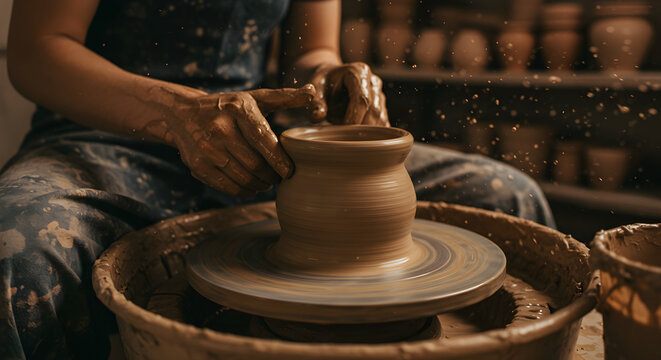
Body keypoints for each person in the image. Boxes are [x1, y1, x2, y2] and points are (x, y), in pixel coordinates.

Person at [0, 0, 555, 358]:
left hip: (257, 143)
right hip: (106, 133)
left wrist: (329, 79)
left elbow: (312, 50)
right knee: (15, 252)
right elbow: (36, 52)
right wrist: (175, 113)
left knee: (508, 198)